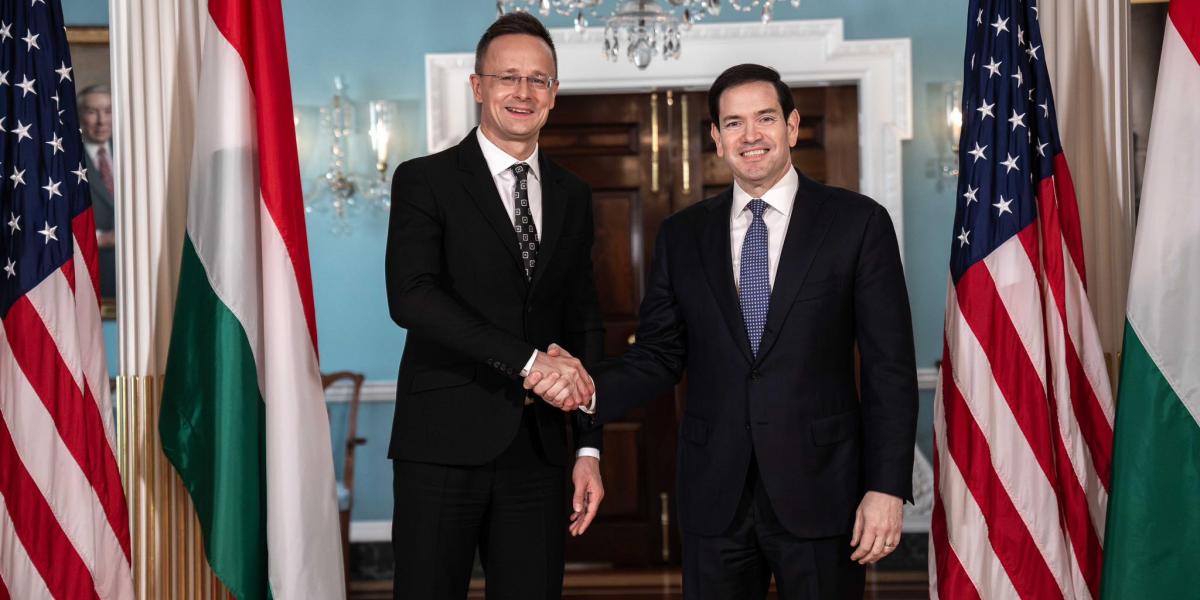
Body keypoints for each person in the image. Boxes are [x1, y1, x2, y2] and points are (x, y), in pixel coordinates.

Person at [529, 63, 918, 599]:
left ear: (792, 126)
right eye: (734, 123)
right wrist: (588, 388)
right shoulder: (682, 235)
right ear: (716, 138)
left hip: (824, 490)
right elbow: (660, 354)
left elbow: (889, 369)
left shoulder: (858, 223)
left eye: (765, 118)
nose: (750, 135)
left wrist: (886, 487)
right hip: (714, 494)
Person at [384, 12, 606, 600]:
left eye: (538, 80)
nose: (523, 92)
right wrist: (529, 362)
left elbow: (583, 318)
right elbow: (411, 297)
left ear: (554, 93)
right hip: (441, 444)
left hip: (540, 451)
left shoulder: (574, 194)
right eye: (508, 77)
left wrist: (588, 445)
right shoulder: (424, 180)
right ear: (478, 86)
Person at [79, 84, 116, 298]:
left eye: (108, 111)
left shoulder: (134, 154)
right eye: (92, 112)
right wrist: (102, 238)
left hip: (136, 273)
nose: (102, 121)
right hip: (90, 273)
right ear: (80, 116)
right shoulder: (64, 162)